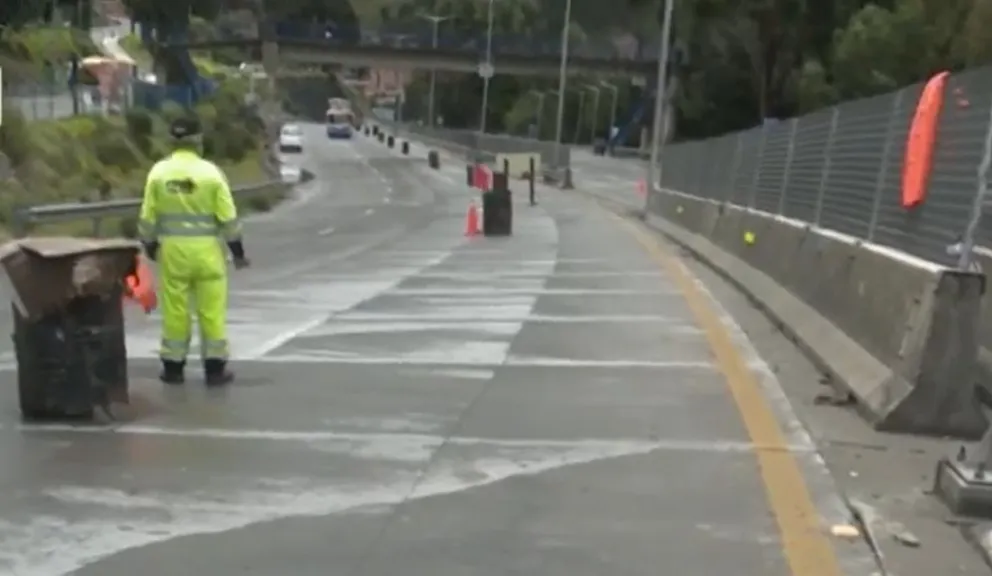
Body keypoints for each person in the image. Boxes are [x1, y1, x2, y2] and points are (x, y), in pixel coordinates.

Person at [137, 115, 250, 386]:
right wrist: (238, 253)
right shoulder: (211, 174)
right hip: (207, 254)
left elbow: (147, 219)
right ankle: (215, 370)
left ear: (172, 141)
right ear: (198, 140)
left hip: (173, 254)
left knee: (175, 311)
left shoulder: (158, 173)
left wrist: (151, 246)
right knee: (211, 312)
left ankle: (173, 368)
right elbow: (229, 220)